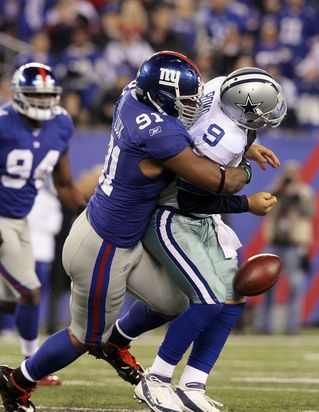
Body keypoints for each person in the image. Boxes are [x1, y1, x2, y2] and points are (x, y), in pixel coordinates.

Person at [0, 51, 253, 412]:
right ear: (163, 98)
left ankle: (116, 343)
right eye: (185, 101)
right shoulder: (159, 134)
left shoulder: (133, 94)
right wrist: (246, 163)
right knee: (84, 337)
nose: (192, 107)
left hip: (122, 234)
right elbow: (219, 181)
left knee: (173, 301)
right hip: (104, 246)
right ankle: (17, 383)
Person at [106, 67, 287, 412]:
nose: (269, 117)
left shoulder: (220, 88)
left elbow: (213, 132)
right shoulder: (224, 141)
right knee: (207, 300)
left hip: (199, 217)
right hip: (173, 215)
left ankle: (193, 384)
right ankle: (156, 379)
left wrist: (249, 150)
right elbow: (193, 199)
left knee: (234, 297)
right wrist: (246, 202)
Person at [0, 61, 85, 394]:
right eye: (35, 96)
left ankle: (28, 362)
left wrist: (87, 214)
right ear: (18, 95)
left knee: (14, 301)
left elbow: (63, 182)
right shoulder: (4, 124)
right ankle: (31, 366)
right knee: (29, 291)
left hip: (19, 217)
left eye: (47, 96)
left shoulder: (61, 123)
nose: (42, 103)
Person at [256, 160, 315, 335]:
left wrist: (295, 194)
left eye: (293, 173)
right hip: (274, 243)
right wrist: (279, 188)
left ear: (298, 174)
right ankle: (265, 325)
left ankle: (292, 326)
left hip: (295, 245)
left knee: (295, 286)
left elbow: (309, 212)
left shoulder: (305, 192)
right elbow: (264, 204)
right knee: (267, 286)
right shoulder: (277, 190)